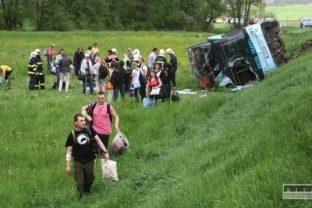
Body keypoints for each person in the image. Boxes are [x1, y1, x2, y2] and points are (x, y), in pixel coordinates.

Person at [65, 113, 108, 198]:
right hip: (78, 161)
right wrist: (68, 165)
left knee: (90, 179)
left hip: (90, 160)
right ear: (76, 122)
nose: (84, 122)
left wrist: (105, 151)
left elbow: (98, 140)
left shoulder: (89, 130)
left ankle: (87, 191)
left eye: (84, 120)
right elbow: (69, 151)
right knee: (79, 182)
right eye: (81, 121)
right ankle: (82, 197)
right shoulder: (72, 135)